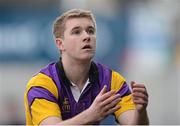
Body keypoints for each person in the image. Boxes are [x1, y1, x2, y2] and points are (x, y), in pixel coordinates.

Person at [24, 9, 149, 125]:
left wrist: (141, 111)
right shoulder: (42, 84)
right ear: (60, 44)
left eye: (90, 31)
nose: (86, 36)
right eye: (76, 32)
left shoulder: (112, 81)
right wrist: (90, 115)